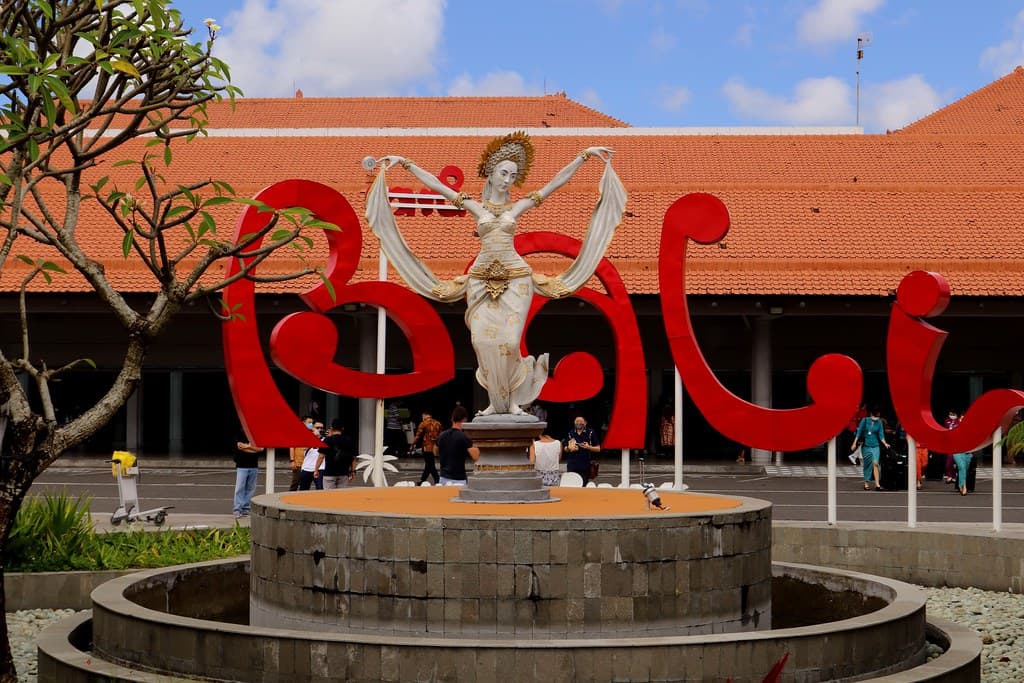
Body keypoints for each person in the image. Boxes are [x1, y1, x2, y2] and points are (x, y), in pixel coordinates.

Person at [367, 132, 626, 416]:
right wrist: (406, 163)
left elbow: (554, 184)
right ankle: (495, 401)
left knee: (511, 342)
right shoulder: (475, 207)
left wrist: (583, 156)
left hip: (517, 279)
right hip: (479, 279)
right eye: (504, 173)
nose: (508, 180)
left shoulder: (518, 207)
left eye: (513, 175)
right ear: (491, 173)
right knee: (481, 341)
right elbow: (438, 186)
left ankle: (512, 401)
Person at [435, 406, 480, 486]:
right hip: (459, 479)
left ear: (452, 419)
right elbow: (476, 457)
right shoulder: (464, 437)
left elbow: (435, 452)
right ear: (464, 419)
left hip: (443, 478)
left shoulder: (441, 435)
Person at [851, 408, 890, 490]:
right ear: (871, 415)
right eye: (876, 416)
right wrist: (854, 443)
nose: (877, 418)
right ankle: (866, 482)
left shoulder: (879, 422)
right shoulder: (865, 421)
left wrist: (885, 443)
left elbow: (881, 435)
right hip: (866, 446)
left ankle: (877, 484)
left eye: (878, 416)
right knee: (867, 465)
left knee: (875, 463)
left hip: (875, 446)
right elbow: (859, 432)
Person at [233, 429, 262, 518]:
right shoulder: (240, 433)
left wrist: (247, 447)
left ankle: (245, 510)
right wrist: (251, 447)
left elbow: (260, 449)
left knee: (250, 489)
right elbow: (239, 446)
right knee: (240, 488)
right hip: (242, 465)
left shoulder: (257, 434)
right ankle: (237, 510)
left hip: (254, 466)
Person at [318, 419, 356, 489]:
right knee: (341, 496)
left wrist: (316, 469)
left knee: (329, 496)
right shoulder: (348, 440)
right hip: (343, 473)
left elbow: (321, 456)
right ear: (342, 428)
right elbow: (353, 458)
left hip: (329, 473)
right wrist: (353, 471)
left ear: (332, 428)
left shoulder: (327, 440)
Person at [564, 416, 601, 484]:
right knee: (571, 485)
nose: (578, 423)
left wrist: (588, 447)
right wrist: (570, 448)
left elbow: (598, 449)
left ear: (585, 423)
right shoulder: (571, 433)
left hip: (585, 465)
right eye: (577, 421)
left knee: (583, 485)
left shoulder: (590, 432)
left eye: (581, 421)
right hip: (572, 464)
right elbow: (565, 448)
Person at [414, 410, 442, 485]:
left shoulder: (423, 424)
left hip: (427, 446)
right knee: (429, 463)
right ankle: (422, 480)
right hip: (435, 446)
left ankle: (437, 479)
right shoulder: (438, 423)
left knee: (430, 464)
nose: (422, 418)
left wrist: (412, 445)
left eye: (422, 416)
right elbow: (441, 435)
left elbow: (418, 435)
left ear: (425, 415)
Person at [288, 415, 314, 491]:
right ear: (303, 423)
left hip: (309, 464)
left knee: (305, 485)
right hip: (299, 464)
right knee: (295, 484)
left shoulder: (313, 434)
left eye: (312, 423)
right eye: (309, 422)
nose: (311, 424)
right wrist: (292, 461)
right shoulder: (296, 433)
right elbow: (292, 447)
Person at [298, 420, 326, 490]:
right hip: (307, 468)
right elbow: (304, 448)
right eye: (317, 427)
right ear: (313, 428)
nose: (320, 429)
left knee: (320, 489)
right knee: (303, 490)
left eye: (321, 428)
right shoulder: (306, 438)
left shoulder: (325, 439)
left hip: (320, 468)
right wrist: (313, 436)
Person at [942, 410, 962, 483]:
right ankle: (950, 476)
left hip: (957, 444)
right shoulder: (947, 421)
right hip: (949, 444)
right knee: (949, 461)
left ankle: (954, 476)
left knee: (956, 461)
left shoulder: (959, 421)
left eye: (953, 414)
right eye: (950, 414)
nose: (951, 415)